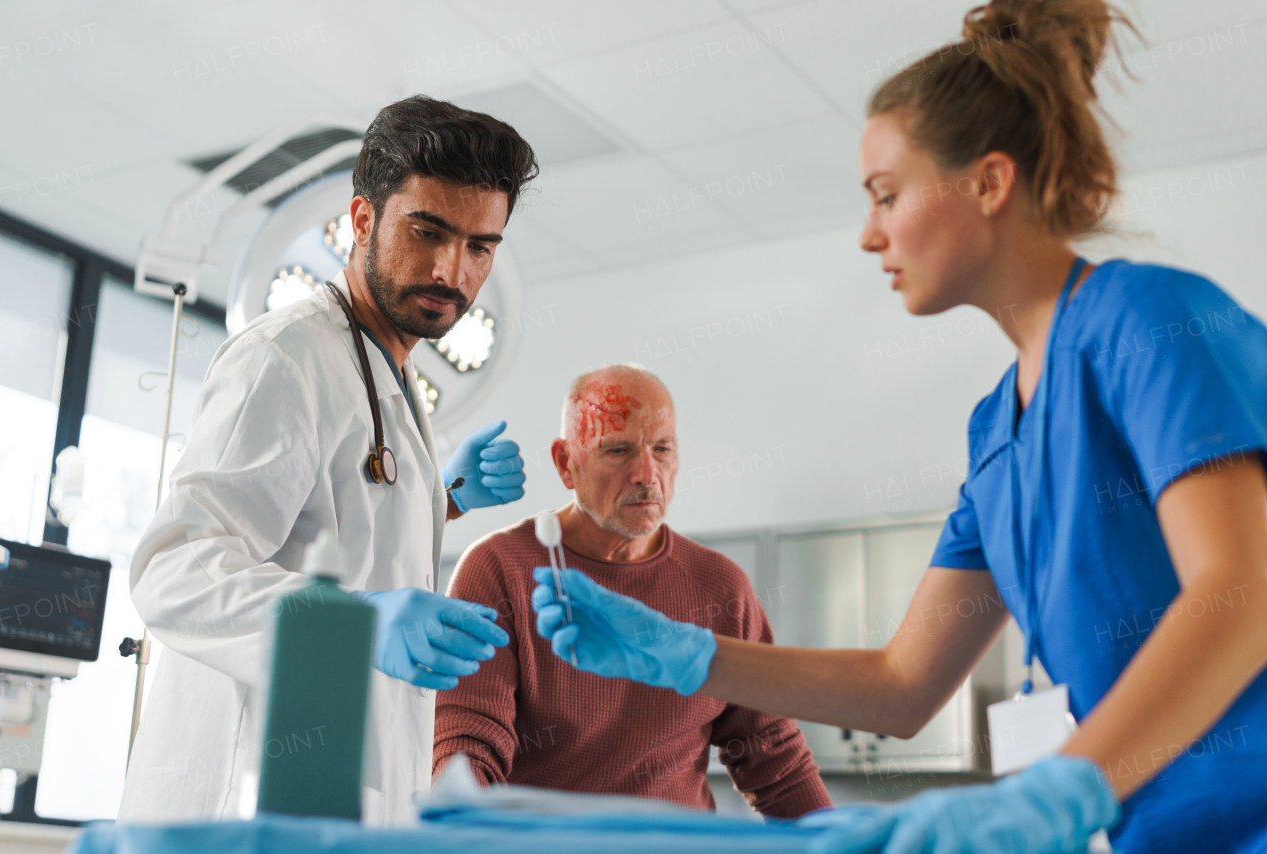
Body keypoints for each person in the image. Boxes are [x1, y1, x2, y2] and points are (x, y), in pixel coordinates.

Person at [531, 2, 1267, 852]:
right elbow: (903, 685)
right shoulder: (999, 430)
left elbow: (1242, 593)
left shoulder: (1149, 323)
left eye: (887, 195)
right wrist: (691, 656)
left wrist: (1064, 789)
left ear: (989, 183)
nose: (869, 233)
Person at [121, 95, 536, 826]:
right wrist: (355, 626)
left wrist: (440, 499)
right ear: (363, 219)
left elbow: (325, 523)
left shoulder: (391, 369)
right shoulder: (284, 358)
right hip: (240, 804)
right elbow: (173, 570)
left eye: (480, 247)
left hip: (346, 800)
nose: (451, 269)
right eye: (428, 230)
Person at [434, 365, 831, 817]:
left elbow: (775, 761)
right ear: (567, 463)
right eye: (618, 450)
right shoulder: (499, 570)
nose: (647, 473)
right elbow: (468, 744)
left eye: (662, 449)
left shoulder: (720, 585)